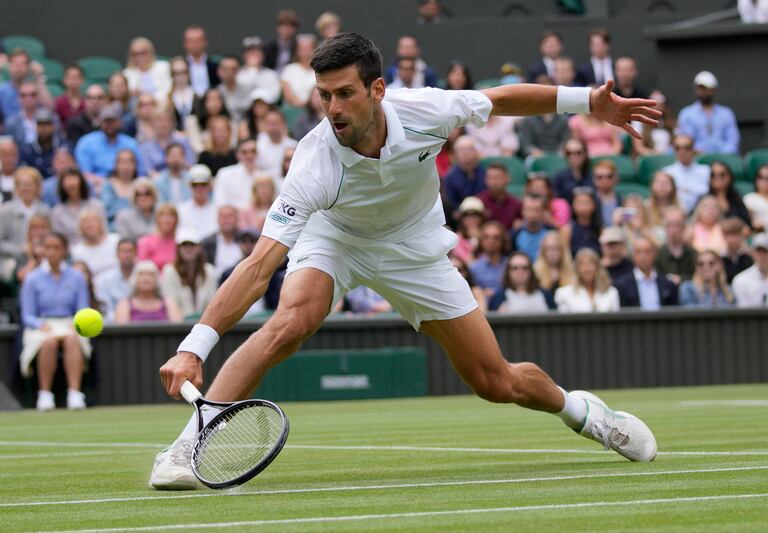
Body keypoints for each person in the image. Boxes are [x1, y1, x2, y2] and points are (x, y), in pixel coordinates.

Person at [150, 32, 660, 489]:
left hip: (414, 246)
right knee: (288, 323)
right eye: (324, 96)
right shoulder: (313, 163)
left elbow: (502, 99)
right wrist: (195, 346)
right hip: (337, 238)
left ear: (377, 90)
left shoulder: (427, 109)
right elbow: (259, 265)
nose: (334, 108)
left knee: (494, 382)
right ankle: (186, 447)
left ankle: (585, 414)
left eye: (345, 93)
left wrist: (587, 102)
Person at [19, 232, 91, 411]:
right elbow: (27, 315)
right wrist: (40, 325)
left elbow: (83, 309)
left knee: (73, 339)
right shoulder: (32, 278)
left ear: (64, 251)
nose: (52, 252)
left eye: (56, 248)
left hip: (69, 323)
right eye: (48, 248)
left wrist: (75, 325)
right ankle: (45, 395)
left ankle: (74, 393)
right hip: (42, 324)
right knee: (49, 342)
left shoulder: (76, 277)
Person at [0, 167, 49, 281]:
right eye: (23, 184)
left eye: (30, 184)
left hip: (40, 259)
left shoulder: (45, 210)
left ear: (37, 187)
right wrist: (22, 250)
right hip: (12, 261)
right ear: (17, 187)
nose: (26, 188)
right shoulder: (6, 210)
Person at [75, 103, 143, 192]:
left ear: (120, 122)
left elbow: (140, 172)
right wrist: (107, 183)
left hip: (127, 187)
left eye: (113, 121)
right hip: (96, 188)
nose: (109, 125)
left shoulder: (131, 144)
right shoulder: (86, 142)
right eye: (106, 121)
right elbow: (84, 174)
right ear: (100, 122)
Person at [677, 71, 739, 155]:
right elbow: (686, 141)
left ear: (714, 90)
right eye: (700, 88)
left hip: (723, 161)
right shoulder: (686, 114)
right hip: (697, 161)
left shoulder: (726, 114)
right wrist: (699, 153)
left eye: (706, 88)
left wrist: (721, 156)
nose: (703, 92)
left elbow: (733, 141)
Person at [161, 227, 217, 319]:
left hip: (204, 325)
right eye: (184, 245)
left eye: (192, 245)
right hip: (178, 327)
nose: (188, 248)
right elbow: (170, 303)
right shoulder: (169, 271)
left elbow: (211, 303)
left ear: (199, 248)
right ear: (178, 248)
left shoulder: (209, 271)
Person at [614, 236, 678, 309]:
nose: (642, 257)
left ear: (654, 254)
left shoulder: (667, 284)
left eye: (647, 252)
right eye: (638, 252)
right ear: (632, 255)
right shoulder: (621, 285)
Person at [115, 259, 182, 323]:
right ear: (134, 279)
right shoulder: (124, 305)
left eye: (151, 274)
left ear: (157, 280)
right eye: (141, 274)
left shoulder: (169, 303)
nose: (146, 278)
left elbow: (178, 328)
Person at [555, 247, 619, 312]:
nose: (587, 269)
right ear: (576, 269)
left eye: (590, 263)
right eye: (582, 264)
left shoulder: (612, 292)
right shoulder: (564, 293)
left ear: (597, 267)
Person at [50, 168, 104, 245]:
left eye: (74, 180)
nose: (71, 184)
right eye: (67, 181)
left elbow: (103, 232)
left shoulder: (96, 206)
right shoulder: (56, 212)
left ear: (81, 183)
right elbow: (59, 240)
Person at [488, 251, 554, 313]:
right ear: (508, 272)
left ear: (531, 271)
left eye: (524, 267)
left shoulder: (546, 296)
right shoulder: (497, 299)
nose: (520, 272)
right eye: (515, 268)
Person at [663, 135, 710, 214]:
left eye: (687, 147)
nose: (682, 151)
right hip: (674, 214)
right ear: (674, 150)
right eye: (678, 148)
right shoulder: (667, 172)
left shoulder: (706, 171)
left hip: (701, 213)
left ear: (693, 149)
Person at [139, 108, 194, 176]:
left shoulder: (182, 141)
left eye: (167, 120)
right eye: (159, 120)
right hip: (155, 182)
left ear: (173, 123)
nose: (163, 124)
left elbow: (191, 165)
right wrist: (163, 181)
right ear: (153, 123)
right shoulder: (146, 146)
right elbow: (148, 170)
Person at [213, 138, 263, 209]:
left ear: (258, 154)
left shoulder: (263, 177)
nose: (249, 155)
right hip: (232, 218)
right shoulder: (224, 174)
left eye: (253, 151)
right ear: (237, 154)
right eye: (244, 152)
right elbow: (220, 203)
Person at [95, 238, 137, 321]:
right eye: (123, 251)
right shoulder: (104, 279)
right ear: (117, 254)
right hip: (113, 327)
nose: (127, 255)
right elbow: (106, 309)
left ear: (136, 253)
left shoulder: (145, 276)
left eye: (130, 251)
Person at [70, 206, 119, 277]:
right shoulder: (77, 250)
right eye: (85, 222)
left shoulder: (115, 240)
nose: (90, 225)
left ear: (101, 223)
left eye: (93, 221)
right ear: (81, 227)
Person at [655, 206, 697, 285]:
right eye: (669, 225)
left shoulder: (693, 254)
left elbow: (698, 279)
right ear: (664, 227)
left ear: (684, 226)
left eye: (677, 225)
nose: (673, 230)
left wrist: (682, 279)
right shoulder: (657, 254)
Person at [185, 88, 233, 155]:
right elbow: (197, 147)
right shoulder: (192, 121)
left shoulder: (229, 121)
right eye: (210, 99)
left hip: (226, 156)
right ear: (203, 102)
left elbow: (232, 144)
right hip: (203, 158)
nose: (214, 103)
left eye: (217, 99)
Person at [20, 109, 64, 179]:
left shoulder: (62, 146)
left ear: (53, 126)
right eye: (40, 125)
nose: (44, 129)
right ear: (36, 127)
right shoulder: (28, 150)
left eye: (47, 125)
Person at [122, 37, 171, 101]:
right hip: (139, 106)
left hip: (162, 104)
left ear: (150, 52)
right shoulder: (127, 74)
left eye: (143, 53)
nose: (139, 57)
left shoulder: (164, 67)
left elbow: (168, 89)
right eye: (135, 54)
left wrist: (150, 98)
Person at [476, 161, 521, 231]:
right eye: (490, 178)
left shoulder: (516, 204)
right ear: (485, 180)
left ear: (507, 178)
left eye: (498, 177)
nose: (494, 182)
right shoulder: (478, 202)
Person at [201, 204, 243, 278]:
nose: (226, 220)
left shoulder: (246, 240)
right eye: (222, 217)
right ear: (217, 220)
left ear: (237, 219)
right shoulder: (207, 243)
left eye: (230, 216)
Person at [468, 220, 508, 298]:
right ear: (481, 241)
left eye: (496, 238)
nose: (491, 241)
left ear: (503, 241)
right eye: (486, 237)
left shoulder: (510, 265)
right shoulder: (474, 268)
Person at [100, 148, 138, 227]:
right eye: (122, 162)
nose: (126, 166)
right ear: (116, 165)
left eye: (130, 162)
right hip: (113, 228)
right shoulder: (108, 185)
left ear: (135, 165)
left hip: (136, 228)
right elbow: (108, 210)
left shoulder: (140, 185)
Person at [237, 37, 281, 105]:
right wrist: (252, 69)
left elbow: (274, 97)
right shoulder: (237, 74)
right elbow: (240, 96)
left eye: (257, 50)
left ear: (263, 55)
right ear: (244, 55)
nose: (253, 53)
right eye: (249, 51)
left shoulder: (272, 74)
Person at [177, 165, 217, 240]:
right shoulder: (180, 210)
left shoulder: (217, 210)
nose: (199, 188)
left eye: (203, 184)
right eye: (195, 185)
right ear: (189, 186)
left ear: (210, 186)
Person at [443, 136, 485, 206]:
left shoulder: (485, 173)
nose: (466, 153)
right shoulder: (450, 176)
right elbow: (450, 201)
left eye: (469, 149)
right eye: (461, 150)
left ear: (476, 152)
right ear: (455, 155)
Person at [256, 108, 298, 177]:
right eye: (270, 123)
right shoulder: (258, 143)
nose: (273, 127)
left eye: (276, 123)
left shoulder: (293, 145)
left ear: (284, 124)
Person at [511, 194, 554, 261]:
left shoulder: (552, 233)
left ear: (543, 212)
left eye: (536, 210)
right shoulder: (515, 235)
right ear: (522, 211)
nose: (532, 214)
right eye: (528, 210)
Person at [708, 161, 751, 227]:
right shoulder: (704, 199)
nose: (717, 177)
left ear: (729, 177)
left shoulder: (736, 199)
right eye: (713, 174)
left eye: (722, 174)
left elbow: (747, 223)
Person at [561, 187, 602, 256]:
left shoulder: (601, 229)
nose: (583, 207)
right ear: (573, 205)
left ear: (594, 205)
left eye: (586, 202)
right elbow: (565, 256)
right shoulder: (567, 230)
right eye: (579, 203)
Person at [137, 203, 178, 271]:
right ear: (157, 219)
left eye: (171, 216)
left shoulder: (179, 243)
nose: (167, 220)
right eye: (163, 216)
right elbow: (142, 269)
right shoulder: (145, 242)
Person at [115, 177, 157, 241]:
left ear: (154, 196)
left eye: (147, 193)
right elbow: (126, 243)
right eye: (138, 194)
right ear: (134, 197)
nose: (143, 197)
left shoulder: (161, 215)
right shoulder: (124, 217)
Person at [732, 232, 768, 307]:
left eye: (765, 251)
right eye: (758, 251)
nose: (762, 256)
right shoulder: (741, 280)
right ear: (753, 253)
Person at [533, 230, 574, 295]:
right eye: (548, 249)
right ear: (543, 251)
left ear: (562, 251)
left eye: (556, 248)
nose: (552, 253)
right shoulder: (535, 273)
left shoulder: (572, 272)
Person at [551, 138, 592, 202]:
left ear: (585, 154)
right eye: (569, 153)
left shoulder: (594, 176)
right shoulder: (559, 177)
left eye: (578, 153)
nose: (573, 156)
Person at [14, 213, 52, 285]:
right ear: (28, 231)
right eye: (35, 228)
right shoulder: (23, 253)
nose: (39, 232)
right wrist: (34, 258)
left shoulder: (56, 250)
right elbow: (22, 278)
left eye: (43, 227)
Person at [65, 84, 106, 149]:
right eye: (90, 98)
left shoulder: (112, 123)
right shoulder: (74, 124)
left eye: (99, 98)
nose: (95, 101)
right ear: (84, 101)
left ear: (105, 101)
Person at [281, 34, 317, 108]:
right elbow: (287, 92)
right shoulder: (289, 69)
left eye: (308, 48)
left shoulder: (320, 70)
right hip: (293, 109)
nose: (305, 51)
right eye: (302, 48)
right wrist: (301, 105)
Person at [183, 25, 219, 97]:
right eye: (191, 41)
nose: (195, 44)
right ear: (185, 43)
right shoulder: (180, 66)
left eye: (198, 40)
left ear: (205, 42)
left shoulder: (216, 66)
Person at [451, 196, 485, 264]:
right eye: (467, 216)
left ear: (481, 218)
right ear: (461, 219)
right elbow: (467, 263)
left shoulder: (488, 236)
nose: (471, 220)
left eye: (475, 216)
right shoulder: (457, 238)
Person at [216, 55, 249, 123]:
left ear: (239, 70)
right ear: (219, 71)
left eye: (233, 69)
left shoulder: (247, 90)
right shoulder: (216, 92)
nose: (230, 72)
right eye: (226, 69)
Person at [720, 217, 753, 284]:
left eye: (735, 234)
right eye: (728, 234)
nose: (732, 239)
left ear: (741, 235)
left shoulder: (750, 256)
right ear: (723, 235)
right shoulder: (719, 257)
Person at [168, 56, 197, 128]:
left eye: (184, 72)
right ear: (171, 75)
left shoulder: (197, 95)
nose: (180, 76)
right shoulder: (167, 98)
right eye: (177, 73)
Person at [592, 159, 621, 227]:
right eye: (599, 177)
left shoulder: (622, 200)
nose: (604, 180)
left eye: (609, 176)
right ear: (593, 179)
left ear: (616, 178)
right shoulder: (589, 201)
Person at [744, 164, 768, 232]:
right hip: (760, 235)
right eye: (765, 178)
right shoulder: (750, 198)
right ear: (757, 180)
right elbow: (746, 224)